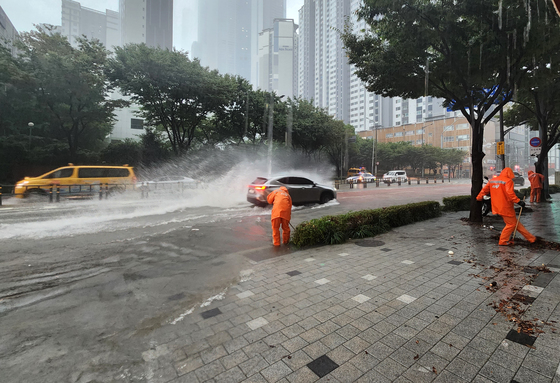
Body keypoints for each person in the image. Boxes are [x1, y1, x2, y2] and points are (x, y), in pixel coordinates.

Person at [476, 167, 536, 246]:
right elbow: (510, 194)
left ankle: (531, 238)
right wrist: (518, 201)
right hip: (506, 207)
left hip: (497, 207)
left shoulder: (492, 181)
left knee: (515, 223)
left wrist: (479, 197)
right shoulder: (508, 181)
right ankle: (503, 241)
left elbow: (484, 191)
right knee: (511, 224)